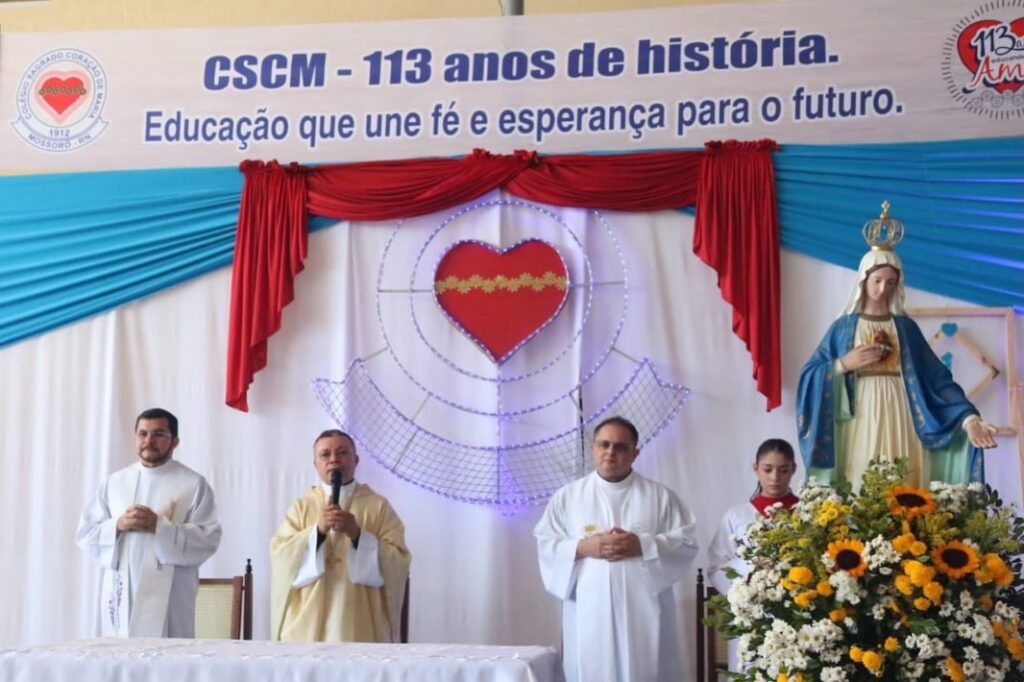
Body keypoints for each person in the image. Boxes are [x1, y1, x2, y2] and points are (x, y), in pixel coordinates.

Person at [797, 204, 997, 488]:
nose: (883, 289)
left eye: (890, 283)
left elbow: (937, 380)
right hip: (860, 416)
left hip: (902, 411)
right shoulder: (843, 328)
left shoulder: (905, 328)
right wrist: (842, 365)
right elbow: (809, 374)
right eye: (877, 281)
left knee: (903, 478)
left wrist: (969, 419)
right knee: (861, 477)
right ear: (863, 280)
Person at [533, 416, 698, 682]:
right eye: (604, 444)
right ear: (593, 449)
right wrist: (583, 546)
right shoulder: (568, 497)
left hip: (643, 608)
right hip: (588, 606)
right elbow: (546, 542)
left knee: (645, 667)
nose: (611, 452)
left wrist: (642, 544)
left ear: (635, 453)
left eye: (620, 447)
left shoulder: (659, 496)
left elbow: (686, 541)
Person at [76, 408, 222, 638]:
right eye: (142, 433)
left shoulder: (193, 484)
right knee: (119, 652)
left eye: (158, 434)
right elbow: (86, 534)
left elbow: (208, 538)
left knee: (166, 655)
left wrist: (160, 528)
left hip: (171, 596)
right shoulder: (114, 483)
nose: (148, 440)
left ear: (175, 441)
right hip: (121, 590)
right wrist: (117, 526)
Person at [270, 429, 411, 642]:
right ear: (315, 464)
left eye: (342, 452)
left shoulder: (378, 507)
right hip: (308, 622)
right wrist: (317, 532)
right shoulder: (301, 507)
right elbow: (281, 555)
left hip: (359, 618)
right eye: (325, 454)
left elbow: (398, 559)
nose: (334, 459)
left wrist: (358, 535)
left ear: (356, 460)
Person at [708, 438, 799, 671]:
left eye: (783, 470)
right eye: (768, 469)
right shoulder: (737, 516)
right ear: (755, 468)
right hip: (752, 613)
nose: (775, 478)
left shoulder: (806, 513)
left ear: (793, 469)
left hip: (798, 613)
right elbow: (716, 566)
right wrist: (749, 568)